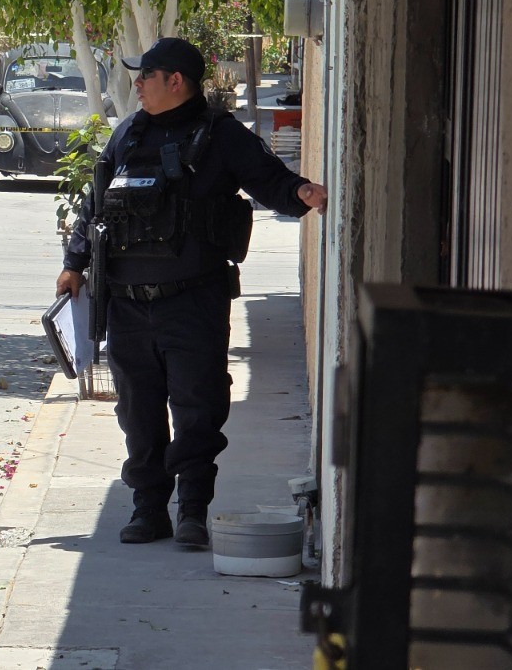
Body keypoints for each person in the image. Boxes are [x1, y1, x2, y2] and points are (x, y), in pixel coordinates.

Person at [55, 37, 327, 549]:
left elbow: (268, 179)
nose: (136, 84)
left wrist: (301, 193)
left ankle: (193, 511)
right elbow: (96, 206)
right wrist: (73, 266)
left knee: (198, 410)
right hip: (128, 304)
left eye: (146, 75)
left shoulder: (221, 135)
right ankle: (148, 509)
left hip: (193, 300)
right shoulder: (128, 135)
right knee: (138, 411)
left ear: (175, 80)